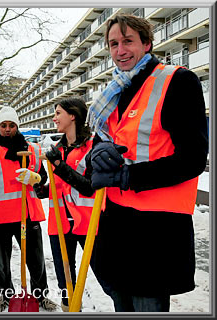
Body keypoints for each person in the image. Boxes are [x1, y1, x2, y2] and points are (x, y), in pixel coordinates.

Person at [86, 14, 208, 312]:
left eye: (128, 41)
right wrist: (96, 154)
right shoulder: (114, 92)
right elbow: (103, 141)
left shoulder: (176, 81)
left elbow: (192, 159)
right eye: (113, 44)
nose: (120, 50)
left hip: (155, 231)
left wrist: (126, 177)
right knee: (121, 303)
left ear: (147, 43)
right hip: (116, 224)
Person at [0, 106, 57, 312]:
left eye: (12, 125)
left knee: (36, 260)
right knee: (1, 262)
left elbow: (43, 177)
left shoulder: (33, 150)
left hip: (27, 213)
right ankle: (4, 296)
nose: (8, 129)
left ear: (17, 126)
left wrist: (35, 178)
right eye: (3, 125)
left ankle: (40, 295)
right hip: (1, 214)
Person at [34, 97, 111, 312]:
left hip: (89, 223)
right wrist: (40, 186)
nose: (54, 118)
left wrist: (59, 166)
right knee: (64, 275)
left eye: (58, 113)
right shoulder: (57, 149)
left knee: (105, 275)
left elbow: (89, 187)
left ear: (73, 115)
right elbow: (61, 188)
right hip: (60, 222)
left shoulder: (94, 146)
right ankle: (70, 308)